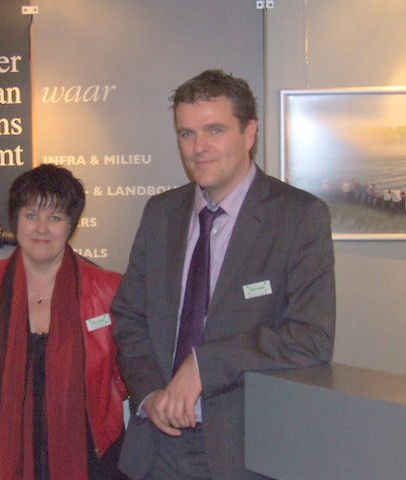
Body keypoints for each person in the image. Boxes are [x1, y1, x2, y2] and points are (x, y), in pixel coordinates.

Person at [111, 70, 335, 480]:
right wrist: (151, 395)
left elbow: (310, 338)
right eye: (186, 133)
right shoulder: (161, 214)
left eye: (214, 130)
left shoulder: (298, 217)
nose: (199, 147)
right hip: (157, 450)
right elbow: (129, 318)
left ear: (249, 133)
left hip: (245, 450)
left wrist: (204, 365)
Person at [0, 164, 127, 480]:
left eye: (55, 218)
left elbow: (123, 372)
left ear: (71, 225)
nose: (42, 228)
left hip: (90, 453)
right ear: (16, 220)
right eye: (31, 215)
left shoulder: (108, 290)